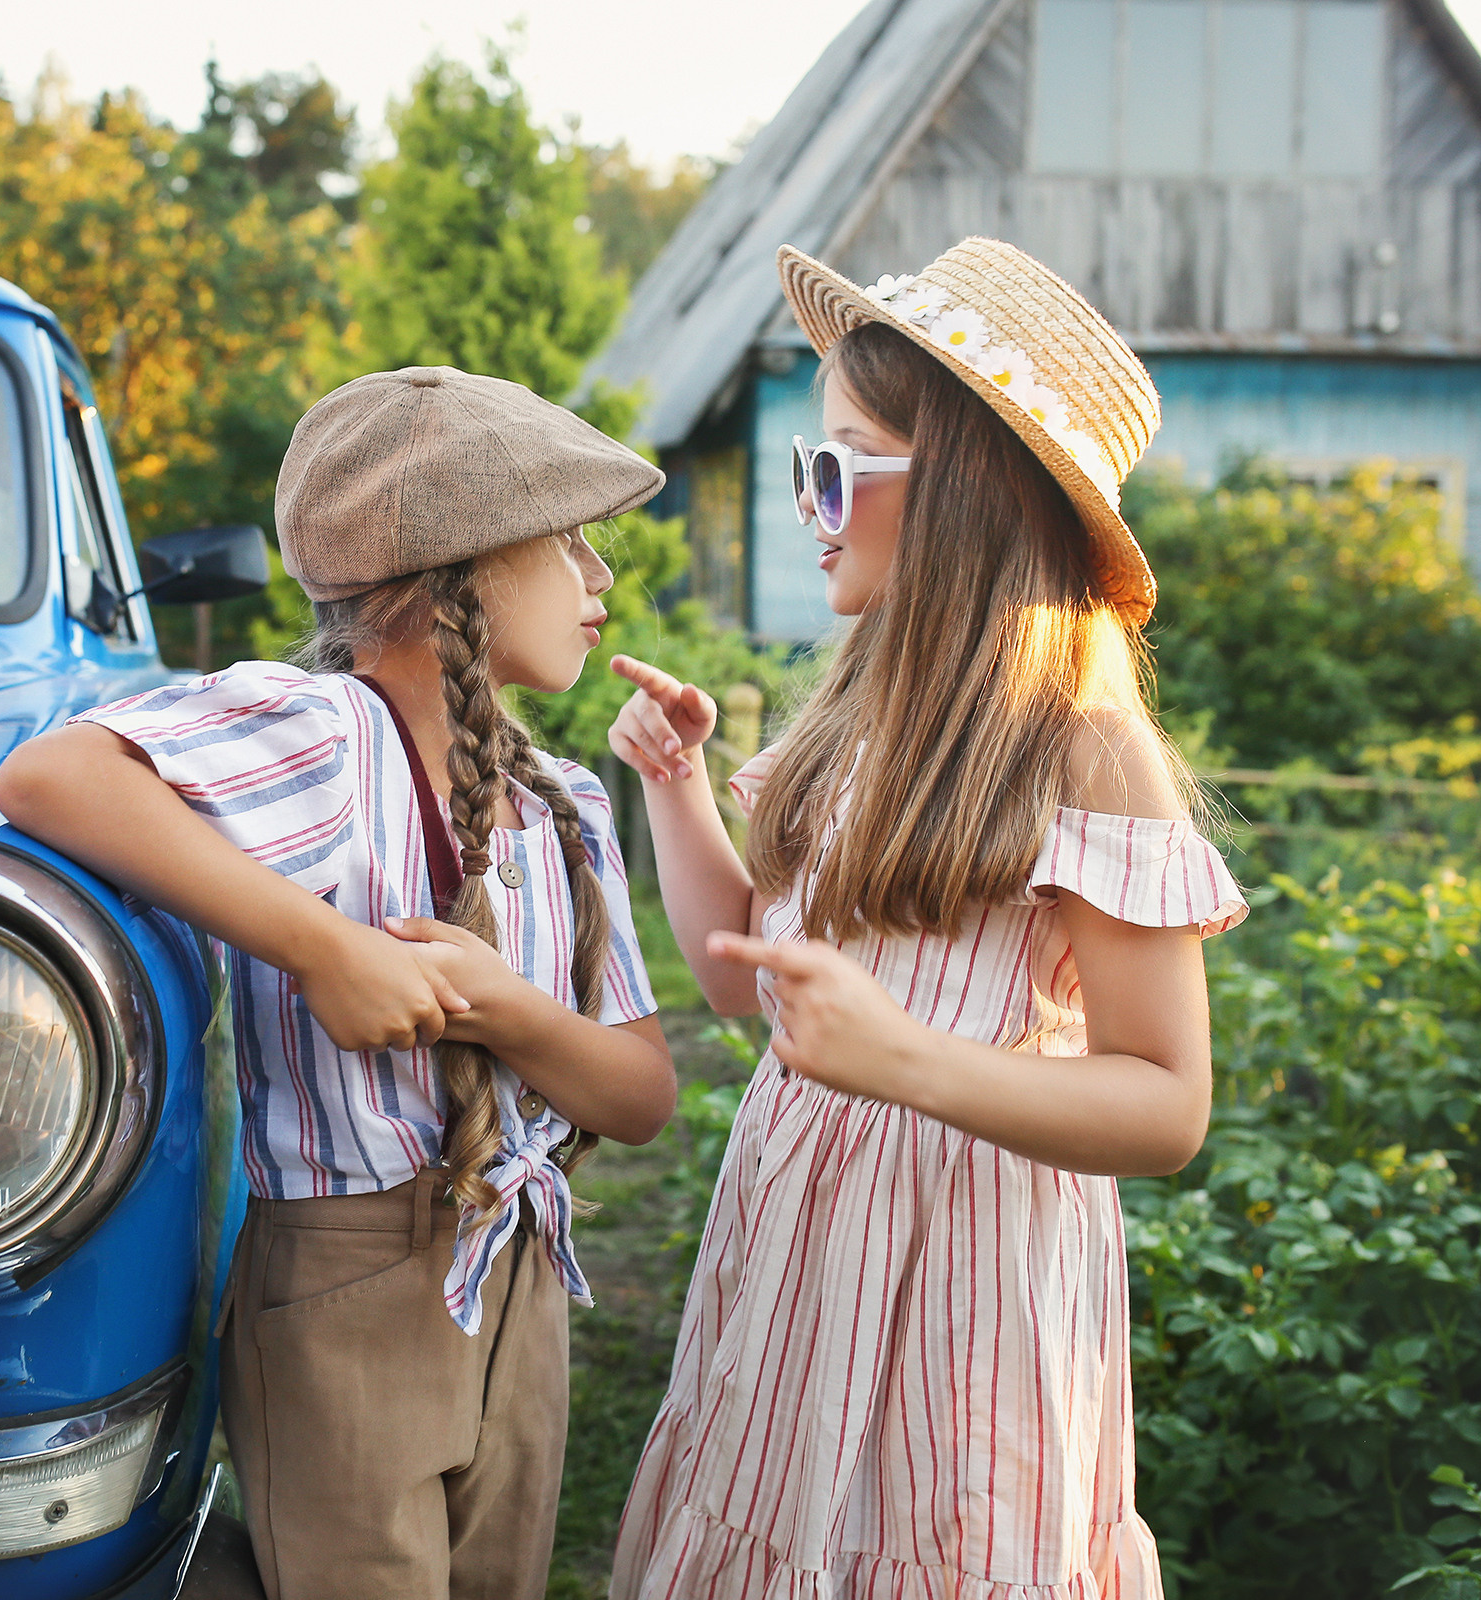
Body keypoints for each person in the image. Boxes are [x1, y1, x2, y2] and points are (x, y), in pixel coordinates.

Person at [602, 238, 1245, 1600]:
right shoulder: (851, 714)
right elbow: (743, 984)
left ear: (957, 491)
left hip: (972, 1275)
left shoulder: (1085, 752)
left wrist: (904, 1061)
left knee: (937, 1545)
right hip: (800, 1250)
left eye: (835, 467)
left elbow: (1167, 1103)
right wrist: (673, 790)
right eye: (804, 468)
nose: (807, 505)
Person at [0, 365, 679, 1600]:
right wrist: (328, 947)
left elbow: (638, 1096)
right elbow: (51, 779)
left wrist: (503, 1008)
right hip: (344, 1281)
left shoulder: (566, 809)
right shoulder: (324, 736)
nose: (601, 578)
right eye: (567, 541)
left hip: (515, 1274)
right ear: (453, 575)